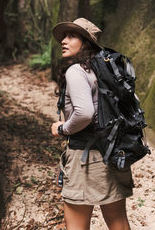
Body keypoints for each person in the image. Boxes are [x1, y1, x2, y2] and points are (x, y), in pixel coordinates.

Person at [51, 18, 134, 230]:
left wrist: (62, 128)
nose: (64, 41)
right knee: (119, 222)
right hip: (113, 152)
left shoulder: (76, 71)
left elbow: (85, 113)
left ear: (86, 42)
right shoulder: (102, 71)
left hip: (85, 158)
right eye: (63, 36)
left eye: (72, 36)